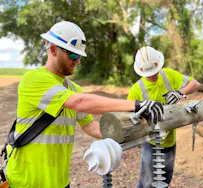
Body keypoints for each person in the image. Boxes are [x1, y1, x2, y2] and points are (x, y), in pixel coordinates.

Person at [6, 21, 164, 188]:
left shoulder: (74, 89)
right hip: (27, 181)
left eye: (79, 56)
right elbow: (79, 103)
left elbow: (90, 127)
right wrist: (136, 104)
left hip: (59, 182)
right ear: (53, 50)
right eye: (73, 55)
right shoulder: (34, 79)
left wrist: (132, 133)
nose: (77, 61)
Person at [127, 46, 200, 188]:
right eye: (148, 73)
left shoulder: (169, 75)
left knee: (165, 181)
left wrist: (180, 92)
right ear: (141, 70)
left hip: (170, 140)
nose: (152, 75)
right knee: (146, 183)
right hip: (151, 142)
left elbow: (196, 84)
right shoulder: (136, 89)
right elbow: (128, 116)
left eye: (154, 71)